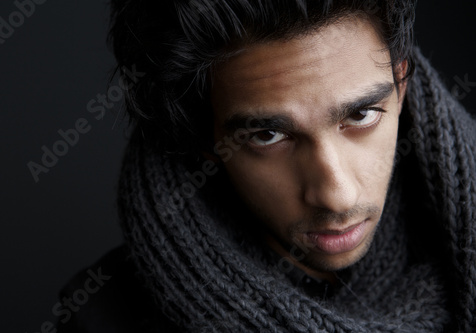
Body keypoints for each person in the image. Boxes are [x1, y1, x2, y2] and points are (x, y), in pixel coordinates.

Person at [57, 0, 476, 332]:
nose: (337, 195)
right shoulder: (101, 315)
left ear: (401, 86)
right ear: (203, 138)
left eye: (362, 114)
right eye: (268, 135)